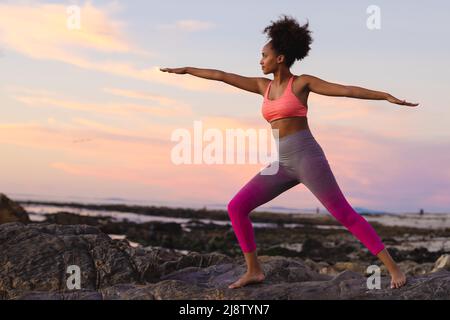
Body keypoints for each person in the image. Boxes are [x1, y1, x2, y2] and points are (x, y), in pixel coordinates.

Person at [160, 14, 418, 290]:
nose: (260, 60)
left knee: (344, 214)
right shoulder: (263, 86)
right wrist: (187, 69)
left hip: (307, 158)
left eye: (264, 55)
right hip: (281, 163)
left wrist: (385, 96)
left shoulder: (301, 83)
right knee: (237, 207)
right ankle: (254, 271)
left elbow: (346, 90)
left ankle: (393, 269)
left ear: (280, 58)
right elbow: (222, 76)